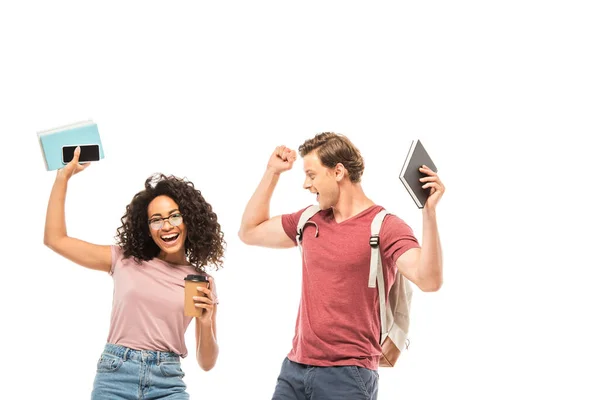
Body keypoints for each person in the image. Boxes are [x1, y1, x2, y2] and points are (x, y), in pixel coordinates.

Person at [238, 132, 445, 400]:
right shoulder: (309, 219)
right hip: (295, 369)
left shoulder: (385, 227)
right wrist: (272, 172)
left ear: (338, 172)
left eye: (311, 175)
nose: (305, 184)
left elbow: (429, 280)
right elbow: (249, 231)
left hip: (348, 375)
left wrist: (429, 212)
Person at [44, 147, 224, 400]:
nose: (167, 226)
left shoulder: (201, 281)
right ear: (147, 227)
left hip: (168, 381)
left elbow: (206, 363)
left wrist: (206, 323)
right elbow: (55, 239)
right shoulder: (124, 259)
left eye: (174, 216)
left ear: (190, 220)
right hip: (115, 375)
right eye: (156, 220)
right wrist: (63, 177)